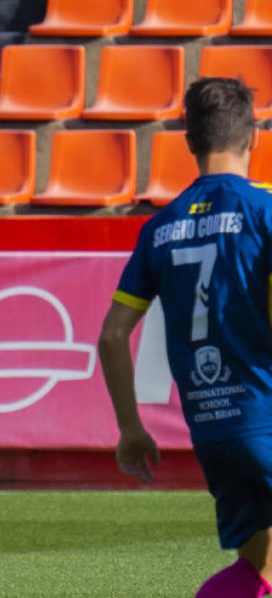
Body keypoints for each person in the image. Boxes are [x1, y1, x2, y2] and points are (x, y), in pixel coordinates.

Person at [99, 77, 272, 598]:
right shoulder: (265, 210)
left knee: (259, 569)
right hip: (267, 412)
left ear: (189, 140)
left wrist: (131, 430)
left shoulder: (160, 227)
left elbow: (111, 337)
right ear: (255, 136)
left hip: (215, 429)